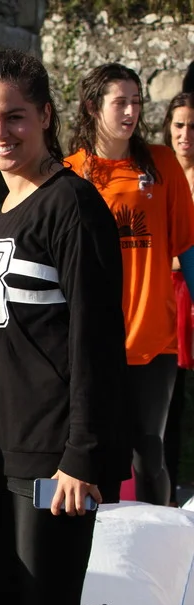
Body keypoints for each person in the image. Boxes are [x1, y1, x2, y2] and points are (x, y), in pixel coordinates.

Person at [0, 48, 128, 605]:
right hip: (9, 451)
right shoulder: (5, 206)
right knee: (3, 604)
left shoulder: (73, 206)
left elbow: (97, 342)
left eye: (16, 117)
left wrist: (81, 457)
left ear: (47, 116)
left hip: (57, 456)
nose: (0, 132)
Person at [65, 63, 194, 506]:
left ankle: (158, 537)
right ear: (91, 106)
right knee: (91, 452)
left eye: (136, 101)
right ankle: (95, 540)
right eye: (119, 102)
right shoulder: (69, 172)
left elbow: (188, 246)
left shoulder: (161, 164)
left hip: (153, 339)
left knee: (149, 452)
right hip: (90, 340)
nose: (130, 111)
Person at [163, 92, 194, 504]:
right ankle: (166, 489)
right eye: (179, 125)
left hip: (188, 286)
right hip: (163, 290)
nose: (186, 134)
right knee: (167, 395)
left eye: (193, 126)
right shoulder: (159, 173)